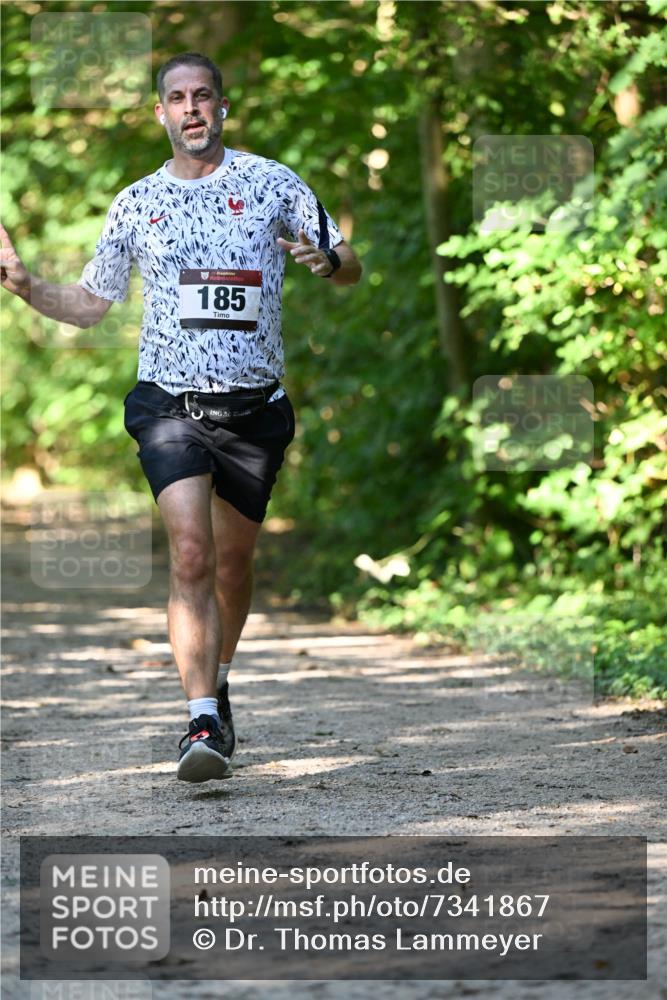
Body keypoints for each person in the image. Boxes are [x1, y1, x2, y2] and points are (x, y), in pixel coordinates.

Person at [0, 52, 362, 783]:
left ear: (222, 107)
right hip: (169, 405)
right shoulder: (136, 203)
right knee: (191, 554)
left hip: (254, 409)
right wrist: (27, 285)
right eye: (177, 97)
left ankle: (217, 682)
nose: (191, 107)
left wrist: (328, 262)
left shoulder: (272, 182)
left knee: (232, 563)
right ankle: (200, 721)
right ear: (160, 112)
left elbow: (347, 261)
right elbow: (90, 304)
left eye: (203, 95)